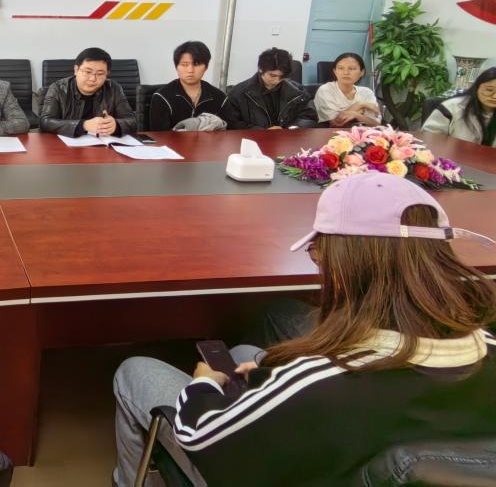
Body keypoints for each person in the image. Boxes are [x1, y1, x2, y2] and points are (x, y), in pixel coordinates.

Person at [112, 172, 496, 487]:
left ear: (346, 263)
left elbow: (198, 433)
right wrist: (273, 375)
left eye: (319, 252)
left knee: (134, 371)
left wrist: (203, 384)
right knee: (246, 355)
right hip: (354, 454)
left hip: (268, 467)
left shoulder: (324, 381)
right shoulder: (486, 347)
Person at [40, 47, 137, 136]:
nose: (93, 78)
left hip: (102, 145)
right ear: (76, 70)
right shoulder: (58, 88)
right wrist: (84, 125)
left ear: (107, 74)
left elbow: (132, 121)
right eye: (87, 72)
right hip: (66, 146)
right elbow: (45, 122)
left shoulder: (113, 88)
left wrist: (116, 125)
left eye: (100, 74)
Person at [224, 47, 317, 129]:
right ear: (260, 69)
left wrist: (287, 130)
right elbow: (231, 123)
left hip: (287, 139)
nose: (277, 80)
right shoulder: (239, 93)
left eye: (282, 76)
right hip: (254, 139)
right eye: (272, 75)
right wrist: (263, 131)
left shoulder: (298, 92)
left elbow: (309, 118)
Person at [148, 41, 229, 131]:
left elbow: (228, 132)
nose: (190, 70)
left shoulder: (220, 98)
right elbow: (159, 135)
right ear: (176, 67)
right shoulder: (162, 97)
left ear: (206, 67)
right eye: (184, 65)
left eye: (196, 64)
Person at [423, 66, 496, 146]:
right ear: (476, 88)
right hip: (451, 153)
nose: (494, 96)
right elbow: (429, 137)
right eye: (489, 90)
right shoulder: (452, 107)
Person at [314, 52, 381, 126]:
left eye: (351, 68)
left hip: (363, 132)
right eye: (340, 68)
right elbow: (335, 123)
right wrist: (361, 105)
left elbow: (376, 124)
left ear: (362, 72)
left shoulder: (367, 92)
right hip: (331, 133)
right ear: (335, 71)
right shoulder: (326, 90)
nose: (346, 72)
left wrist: (356, 115)